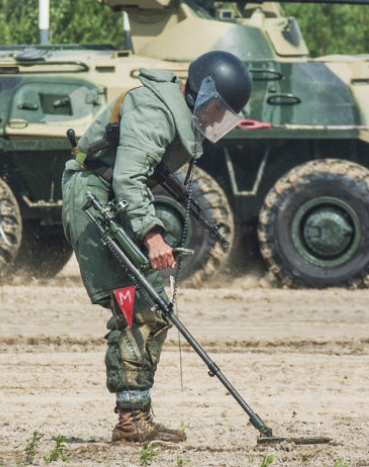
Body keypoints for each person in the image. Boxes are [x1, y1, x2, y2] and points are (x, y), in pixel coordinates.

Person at [61, 50, 252, 444]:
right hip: (94, 200)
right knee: (138, 307)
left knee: (150, 308)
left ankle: (138, 414)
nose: (218, 119)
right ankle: (131, 421)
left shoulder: (178, 113)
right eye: (217, 108)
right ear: (200, 91)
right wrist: (152, 235)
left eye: (225, 114)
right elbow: (129, 178)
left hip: (110, 200)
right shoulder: (154, 110)